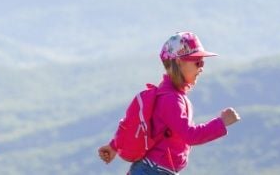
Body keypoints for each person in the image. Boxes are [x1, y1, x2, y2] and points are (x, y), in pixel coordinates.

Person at [97, 32, 241, 174]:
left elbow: (137, 124)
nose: (201, 67)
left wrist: (114, 146)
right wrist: (221, 123)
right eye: (198, 62)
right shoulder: (171, 99)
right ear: (179, 62)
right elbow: (190, 136)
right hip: (153, 171)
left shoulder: (166, 94)